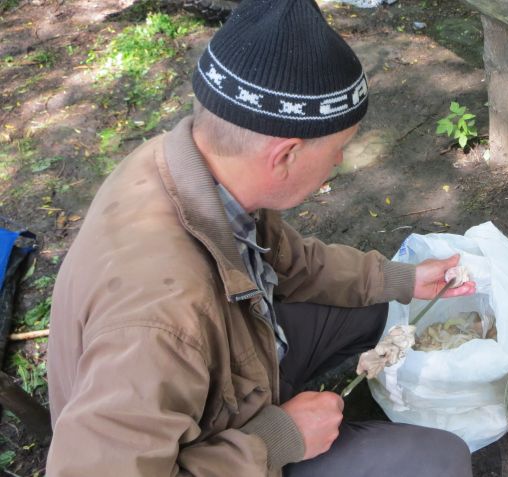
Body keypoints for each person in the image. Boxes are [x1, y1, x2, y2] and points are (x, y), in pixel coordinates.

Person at [45, 0, 476, 475]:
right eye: (339, 147)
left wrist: (401, 279)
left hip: (222, 380)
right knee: (441, 460)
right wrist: (278, 439)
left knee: (375, 305)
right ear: (284, 155)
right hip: (205, 442)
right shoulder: (158, 323)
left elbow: (289, 262)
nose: (338, 161)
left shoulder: (200, 170)